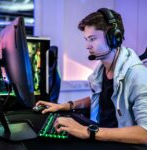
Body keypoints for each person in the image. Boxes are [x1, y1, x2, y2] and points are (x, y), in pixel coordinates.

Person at [35, 8, 147, 144]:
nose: (87, 46)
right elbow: (101, 97)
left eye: (92, 39)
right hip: (102, 135)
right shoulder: (102, 68)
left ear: (114, 38)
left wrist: (87, 131)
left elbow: (144, 132)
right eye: (86, 39)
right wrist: (67, 105)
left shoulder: (138, 75)